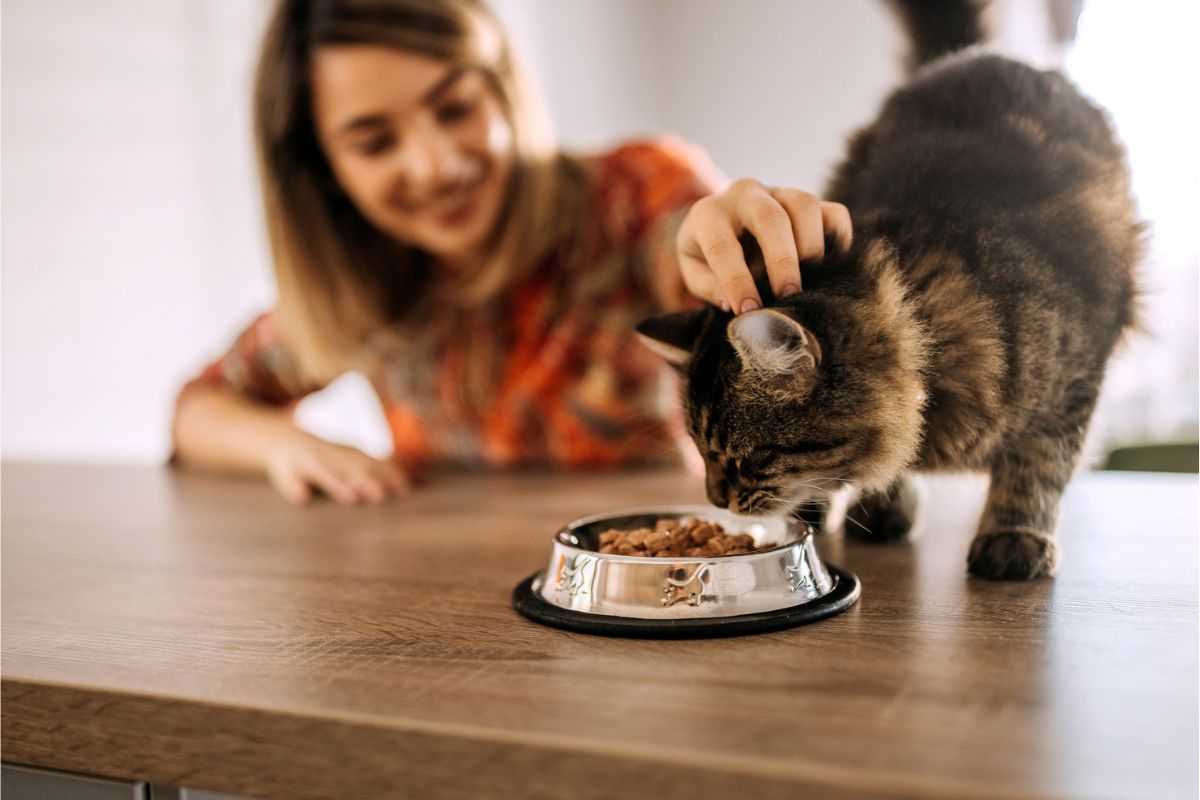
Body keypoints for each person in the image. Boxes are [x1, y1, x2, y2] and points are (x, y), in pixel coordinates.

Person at [171, 0, 853, 505]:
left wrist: (740, 254)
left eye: (456, 107)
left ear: (502, 89)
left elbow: (693, 250)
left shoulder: (633, 199)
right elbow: (199, 409)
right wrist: (284, 444)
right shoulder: (359, 286)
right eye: (376, 142)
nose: (435, 165)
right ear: (324, 173)